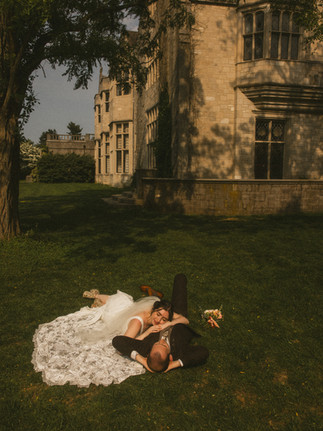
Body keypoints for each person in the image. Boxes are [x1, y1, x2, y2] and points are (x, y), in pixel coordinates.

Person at [32, 288, 188, 387]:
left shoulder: (161, 313)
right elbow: (126, 344)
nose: (159, 320)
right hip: (118, 316)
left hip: (129, 309)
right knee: (115, 304)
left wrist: (167, 325)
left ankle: (99, 298)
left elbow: (185, 320)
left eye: (164, 319)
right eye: (158, 315)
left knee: (124, 302)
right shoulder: (137, 322)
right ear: (153, 311)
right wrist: (148, 332)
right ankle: (97, 296)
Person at [112, 274, 209, 373]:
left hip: (166, 320)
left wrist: (142, 361)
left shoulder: (145, 348)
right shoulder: (179, 352)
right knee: (180, 279)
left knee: (160, 306)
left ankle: (155, 296)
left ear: (148, 354)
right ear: (170, 357)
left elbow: (118, 341)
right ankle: (156, 295)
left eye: (157, 343)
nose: (162, 341)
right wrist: (173, 365)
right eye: (164, 346)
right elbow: (203, 352)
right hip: (178, 320)